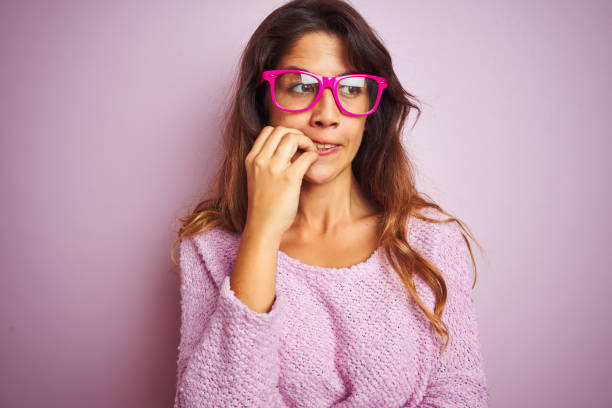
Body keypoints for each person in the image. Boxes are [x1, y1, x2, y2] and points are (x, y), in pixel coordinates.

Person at [170, 0, 490, 406]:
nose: (326, 115)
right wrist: (261, 232)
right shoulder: (209, 247)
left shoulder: (430, 240)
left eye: (350, 89)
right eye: (302, 86)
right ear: (263, 100)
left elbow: (461, 395)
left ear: (370, 110)